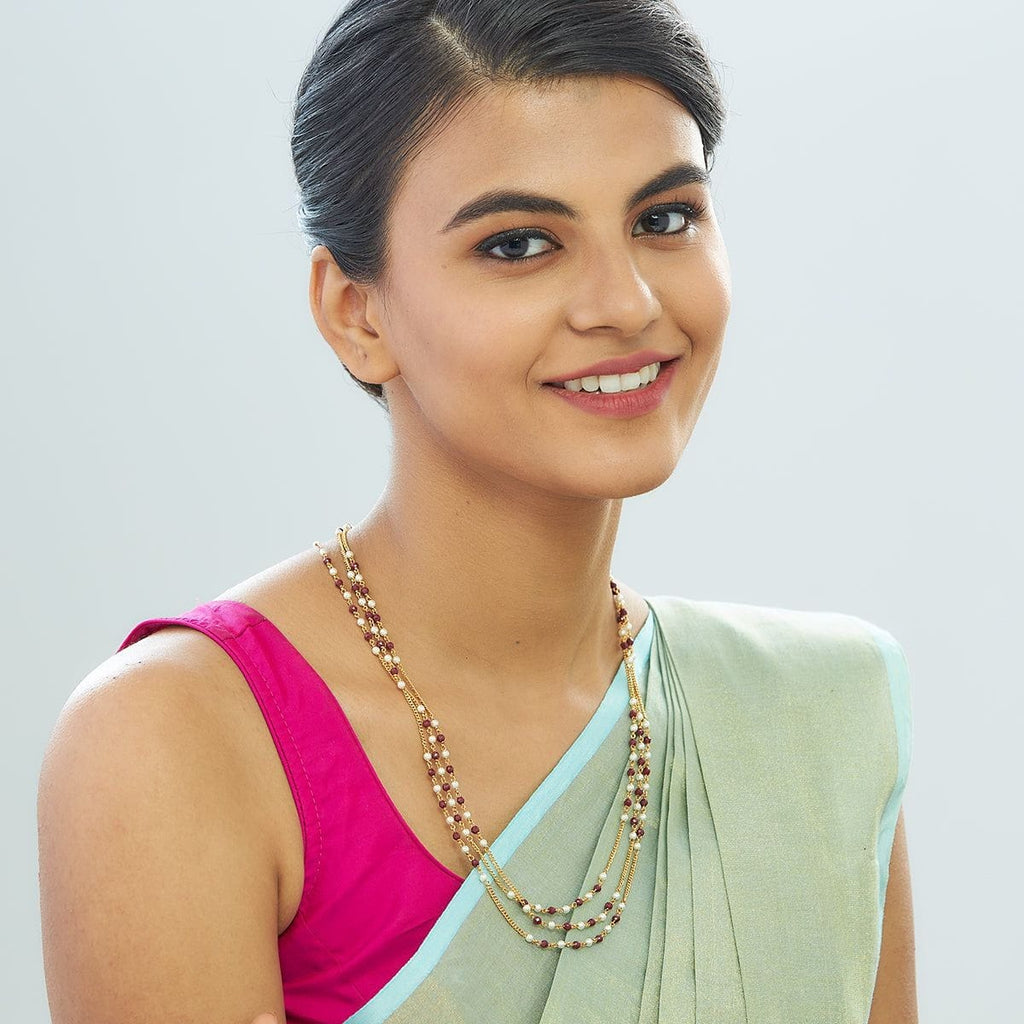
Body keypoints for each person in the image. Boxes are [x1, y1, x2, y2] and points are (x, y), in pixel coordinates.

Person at [37, 1, 917, 1022]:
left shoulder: (811, 725)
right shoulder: (180, 742)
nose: (626, 303)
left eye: (663, 219)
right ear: (355, 313)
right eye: (520, 243)